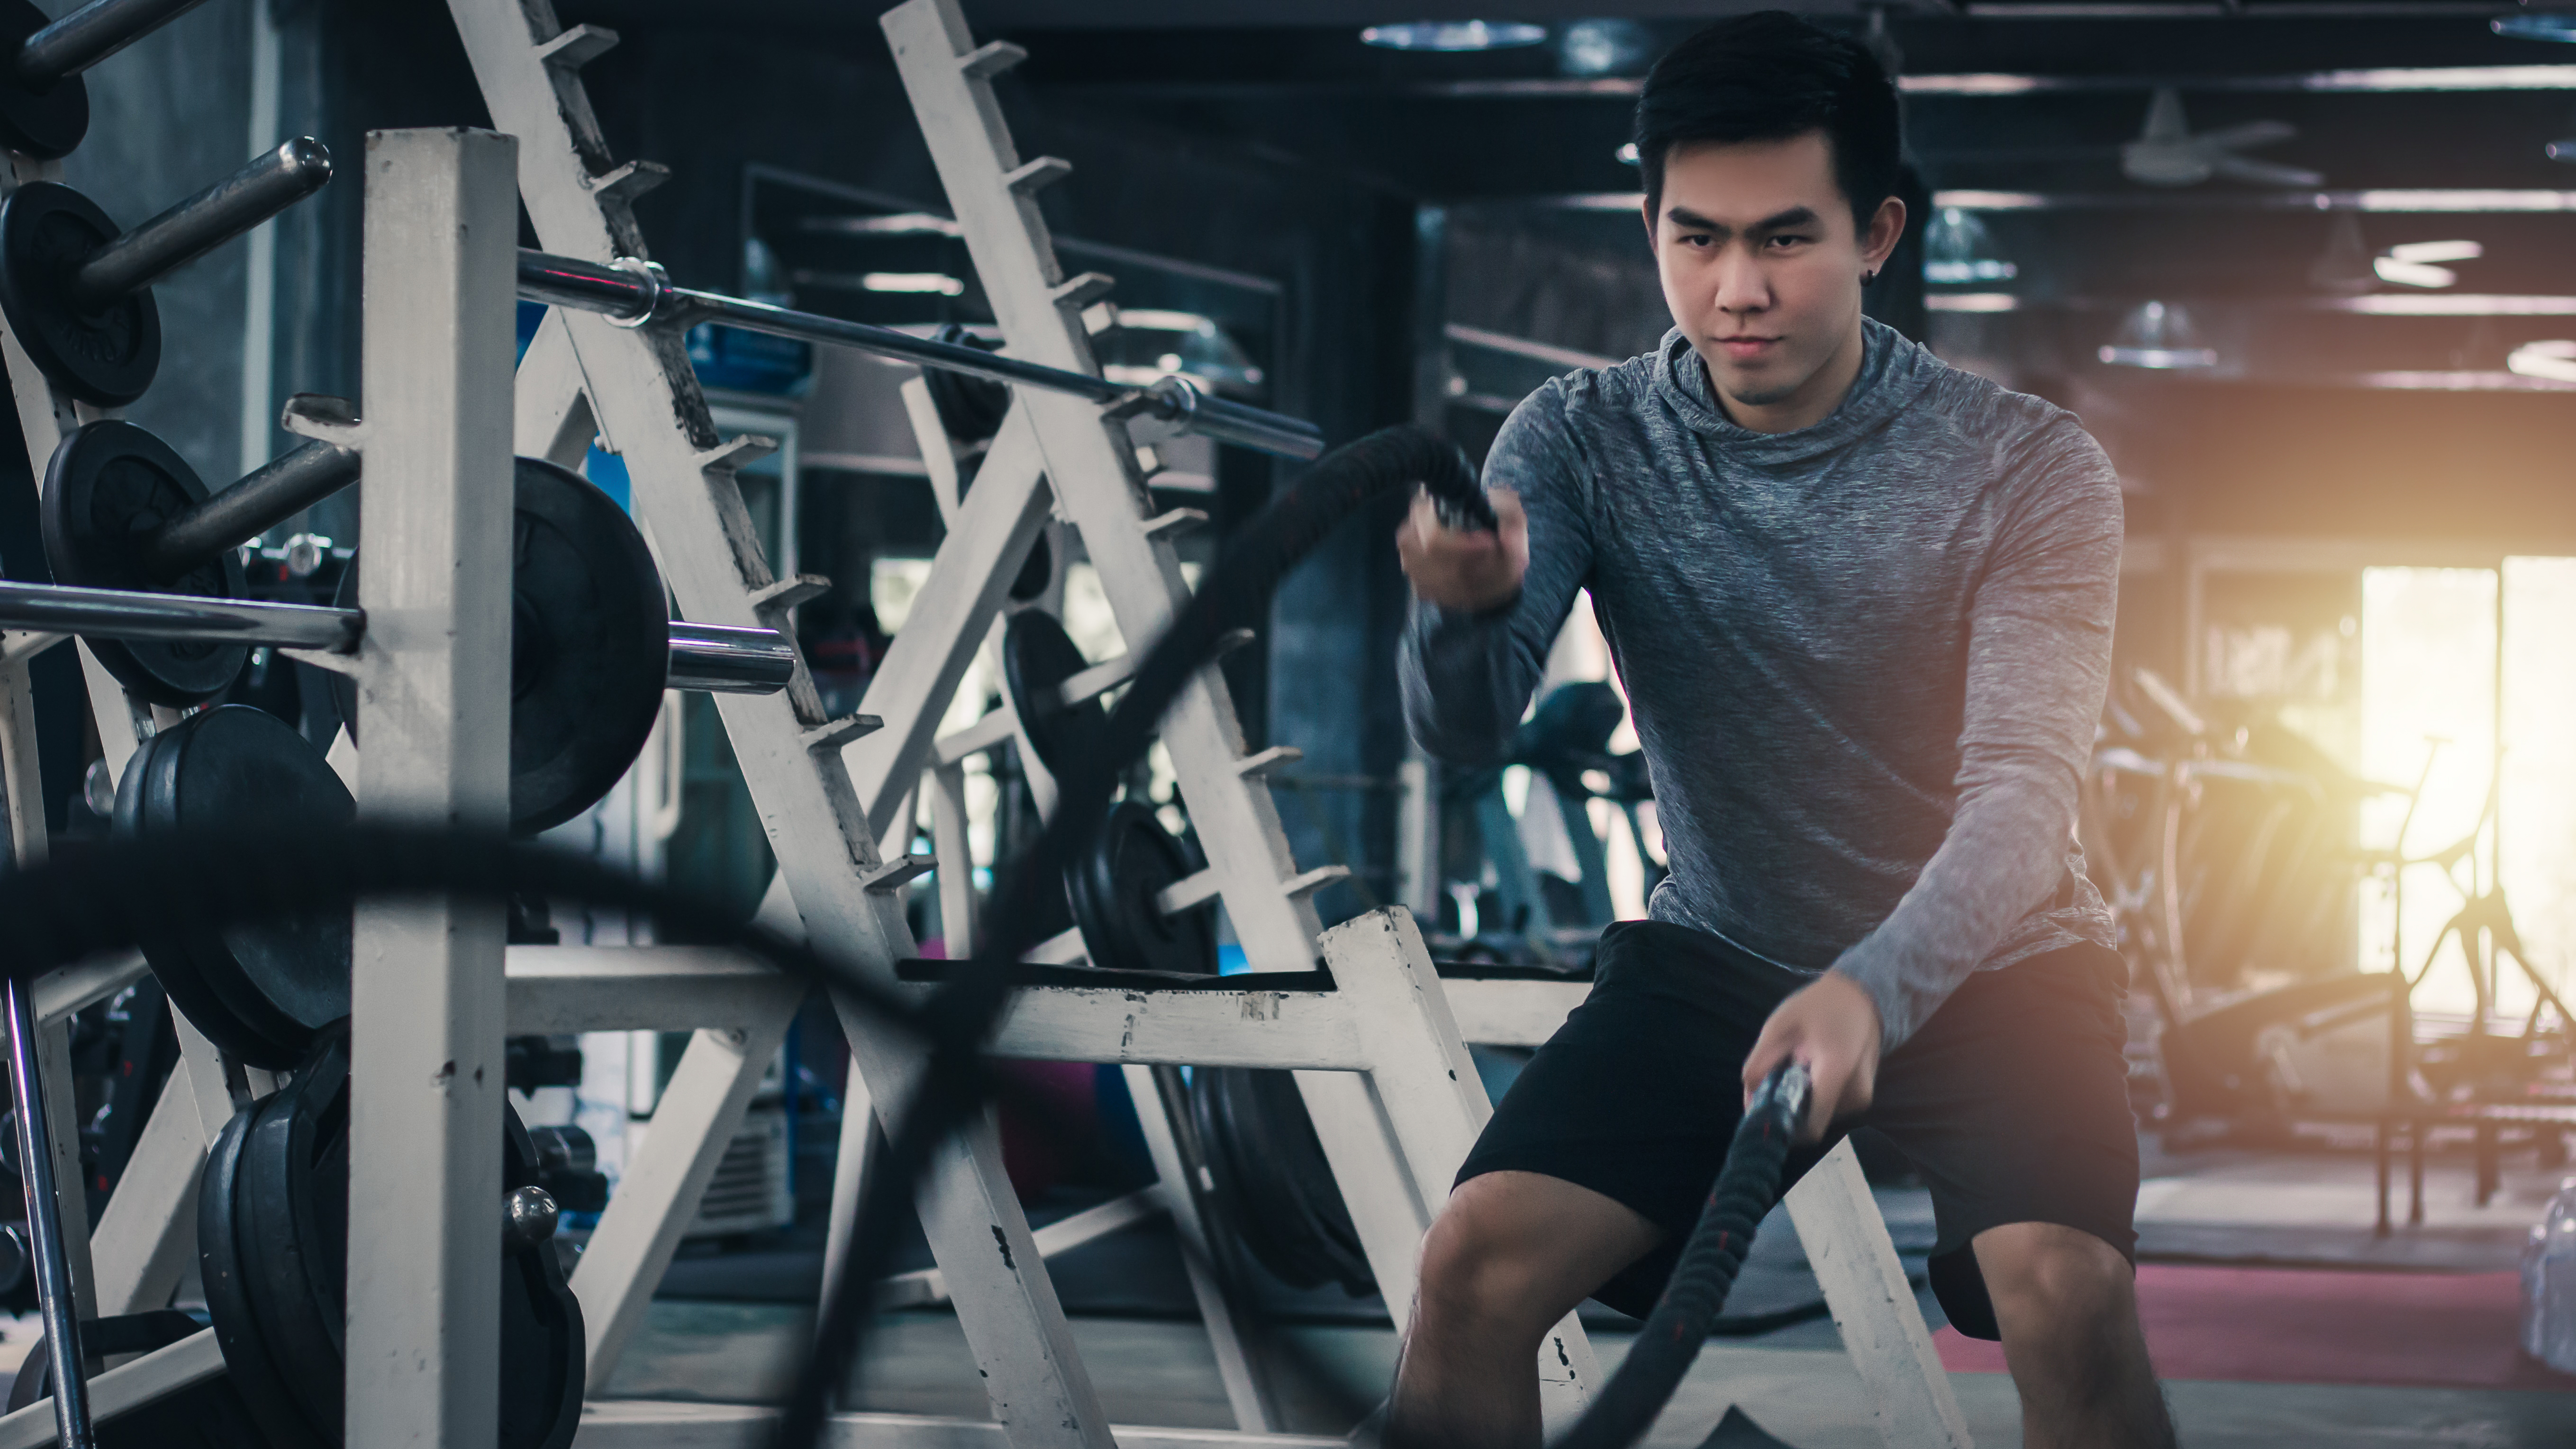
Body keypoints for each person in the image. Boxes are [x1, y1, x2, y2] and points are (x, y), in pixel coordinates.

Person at [1390, 13, 2173, 1449]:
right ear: (1647, 228)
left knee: (2061, 1291)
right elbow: (1459, 736)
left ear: (1876, 233)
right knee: (1472, 1266)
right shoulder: (1573, 439)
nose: (1734, 288)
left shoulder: (2028, 466)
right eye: (1694, 239)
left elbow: (2022, 795)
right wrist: (1458, 616)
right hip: (1718, 952)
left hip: (1996, 959)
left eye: (1783, 239)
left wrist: (1873, 987)